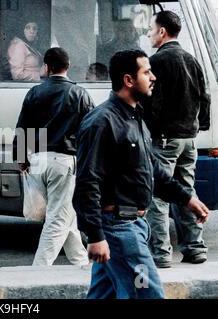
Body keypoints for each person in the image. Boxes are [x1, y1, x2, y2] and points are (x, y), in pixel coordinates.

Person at [73, 49, 210, 299]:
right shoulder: (102, 122)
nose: (153, 77)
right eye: (146, 72)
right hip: (119, 230)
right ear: (128, 80)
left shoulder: (135, 118)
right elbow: (87, 182)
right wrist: (96, 236)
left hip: (132, 226)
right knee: (148, 293)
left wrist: (187, 199)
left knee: (104, 294)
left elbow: (152, 171)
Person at [14, 47, 93, 266]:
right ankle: (39, 270)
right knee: (59, 217)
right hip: (64, 162)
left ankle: (82, 264)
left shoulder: (34, 93)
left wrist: (21, 158)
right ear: (68, 66)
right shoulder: (80, 94)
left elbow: (22, 129)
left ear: (47, 68)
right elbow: (92, 131)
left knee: (66, 216)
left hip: (38, 161)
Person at [144, 11, 211, 268]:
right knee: (186, 192)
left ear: (162, 32)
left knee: (158, 197)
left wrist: (150, 130)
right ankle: (195, 248)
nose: (148, 33)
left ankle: (160, 253)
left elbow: (153, 102)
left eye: (151, 29)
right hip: (189, 138)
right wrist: (199, 126)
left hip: (164, 139)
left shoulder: (157, 62)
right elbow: (204, 97)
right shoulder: (192, 60)